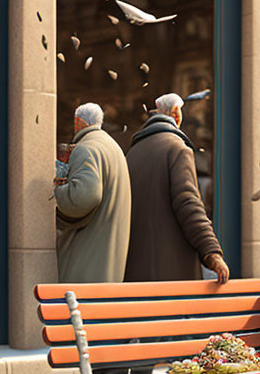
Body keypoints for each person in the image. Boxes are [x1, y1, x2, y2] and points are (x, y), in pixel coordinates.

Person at [123, 93, 229, 283]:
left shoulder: (132, 153)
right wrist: (211, 252)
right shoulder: (178, 149)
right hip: (170, 271)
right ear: (176, 115)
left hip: (135, 272)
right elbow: (188, 204)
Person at [55, 102, 131, 283]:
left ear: (78, 122)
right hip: (108, 254)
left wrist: (58, 191)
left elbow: (83, 197)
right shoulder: (113, 146)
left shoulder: (85, 148)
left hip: (87, 256)